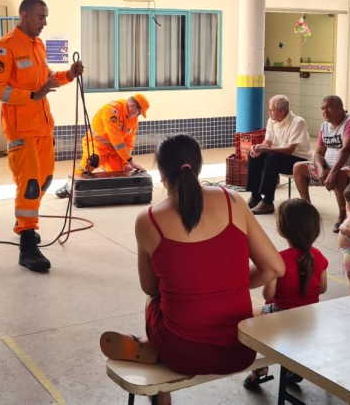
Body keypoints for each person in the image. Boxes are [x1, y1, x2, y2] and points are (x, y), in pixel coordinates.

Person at [98, 134, 284, 404]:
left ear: (162, 173)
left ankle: (158, 372)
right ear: (198, 167)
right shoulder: (232, 202)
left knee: (156, 298)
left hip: (181, 354)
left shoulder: (149, 220)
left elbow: (150, 288)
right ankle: (152, 345)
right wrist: (229, 282)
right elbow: (274, 268)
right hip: (240, 349)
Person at [0, 0, 84, 272]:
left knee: (44, 180)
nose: (44, 23)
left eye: (46, 17)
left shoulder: (37, 46)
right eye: (41, 17)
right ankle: (27, 244)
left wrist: (69, 74)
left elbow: (46, 79)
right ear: (25, 16)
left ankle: (24, 225)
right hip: (21, 129)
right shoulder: (5, 49)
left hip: (42, 127)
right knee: (29, 183)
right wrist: (32, 95)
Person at [243, 198, 327, 390]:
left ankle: (261, 368)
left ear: (281, 230)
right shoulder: (319, 256)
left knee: (248, 319)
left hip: (282, 314)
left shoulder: (279, 259)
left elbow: (268, 295)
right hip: (310, 317)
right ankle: (294, 367)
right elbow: (322, 288)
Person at [292, 96, 350, 235]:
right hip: (330, 171)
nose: (325, 111)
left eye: (328, 107)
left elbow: (346, 149)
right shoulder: (324, 127)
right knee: (298, 167)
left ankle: (342, 215)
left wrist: (332, 172)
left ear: (340, 108)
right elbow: (318, 154)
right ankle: (309, 211)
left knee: (339, 175)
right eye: (322, 108)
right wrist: (321, 169)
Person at [55, 94, 150, 198]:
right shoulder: (112, 110)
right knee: (92, 160)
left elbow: (129, 142)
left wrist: (126, 163)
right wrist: (130, 161)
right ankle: (71, 185)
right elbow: (116, 138)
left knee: (124, 173)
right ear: (133, 105)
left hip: (114, 151)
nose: (138, 116)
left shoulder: (133, 120)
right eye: (139, 113)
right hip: (97, 145)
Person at [246, 95, 312, 215]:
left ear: (281, 111)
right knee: (254, 156)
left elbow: (289, 150)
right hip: (278, 157)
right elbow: (268, 142)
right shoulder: (271, 121)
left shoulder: (298, 122)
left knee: (272, 157)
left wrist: (267, 150)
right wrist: (259, 148)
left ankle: (268, 201)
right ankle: (255, 196)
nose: (269, 112)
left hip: (299, 160)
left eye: (271, 110)